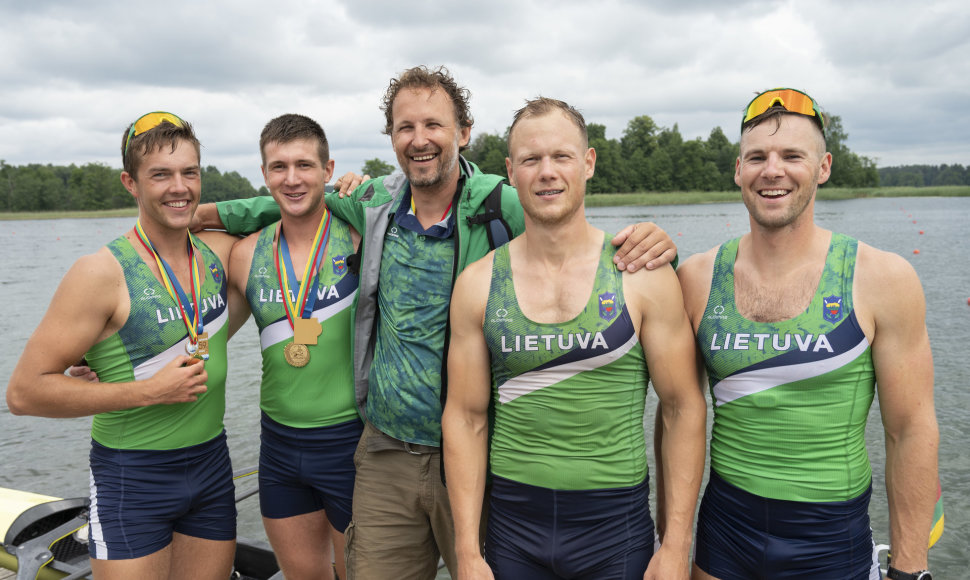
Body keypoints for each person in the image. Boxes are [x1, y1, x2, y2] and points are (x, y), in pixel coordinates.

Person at [192, 65, 678, 579]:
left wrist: (649, 241)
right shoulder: (375, 201)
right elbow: (296, 196)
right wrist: (191, 212)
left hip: (476, 451)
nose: (419, 140)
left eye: (434, 125)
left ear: (463, 133)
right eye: (406, 127)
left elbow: (566, 216)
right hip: (385, 450)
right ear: (392, 138)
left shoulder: (501, 202)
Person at [671, 88, 939, 580]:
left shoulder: (882, 278)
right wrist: (673, 545)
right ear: (738, 170)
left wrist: (909, 568)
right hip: (725, 530)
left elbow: (910, 431)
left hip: (832, 537)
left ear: (823, 167)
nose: (772, 170)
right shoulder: (696, 277)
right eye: (757, 157)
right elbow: (675, 415)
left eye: (792, 155)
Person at [441, 97, 707, 580]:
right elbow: (465, 416)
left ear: (587, 164)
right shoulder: (478, 283)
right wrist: (466, 550)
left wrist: (674, 546)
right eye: (531, 159)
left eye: (562, 156)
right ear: (510, 171)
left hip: (614, 526)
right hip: (512, 525)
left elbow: (683, 408)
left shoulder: (641, 273)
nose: (547, 172)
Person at [6, 112, 247, 580]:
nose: (178, 187)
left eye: (189, 173)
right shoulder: (99, 272)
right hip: (132, 477)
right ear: (130, 183)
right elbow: (23, 393)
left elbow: (285, 203)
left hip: (212, 465)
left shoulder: (217, 253)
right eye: (160, 175)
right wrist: (148, 392)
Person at [225, 114, 362, 580]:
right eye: (278, 166)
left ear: (329, 170)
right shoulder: (245, 255)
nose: (292, 178)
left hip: (353, 443)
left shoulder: (362, 239)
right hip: (280, 448)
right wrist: (105, 361)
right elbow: (205, 334)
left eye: (304, 164)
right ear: (264, 175)